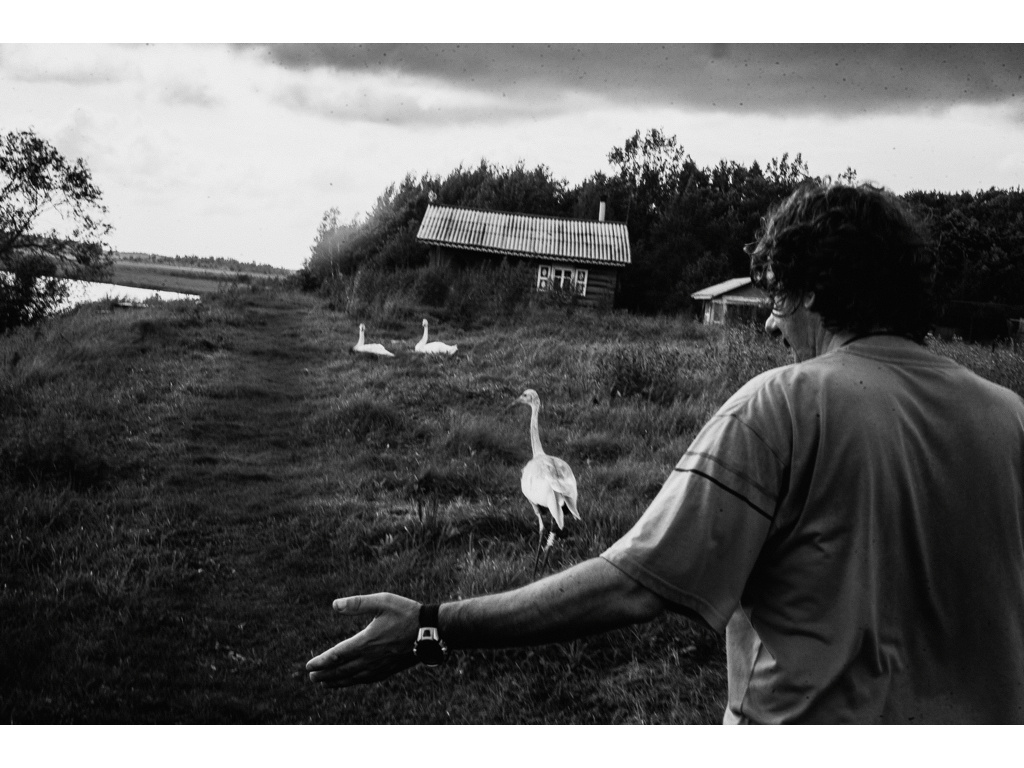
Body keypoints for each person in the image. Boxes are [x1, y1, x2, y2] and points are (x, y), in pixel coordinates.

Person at [306, 182, 1024, 724]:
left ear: (811, 290)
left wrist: (431, 627)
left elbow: (632, 582)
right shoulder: (1010, 419)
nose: (772, 325)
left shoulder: (781, 406)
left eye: (775, 300)